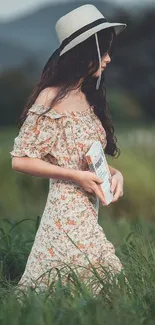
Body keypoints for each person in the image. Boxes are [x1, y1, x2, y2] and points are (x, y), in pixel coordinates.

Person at [10, 4, 127, 294]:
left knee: (72, 286)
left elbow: (88, 157)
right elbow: (20, 160)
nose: (109, 59)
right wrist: (75, 177)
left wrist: (116, 173)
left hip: (89, 208)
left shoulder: (88, 97)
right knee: (101, 282)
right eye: (104, 52)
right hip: (64, 209)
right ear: (83, 53)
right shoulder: (50, 98)